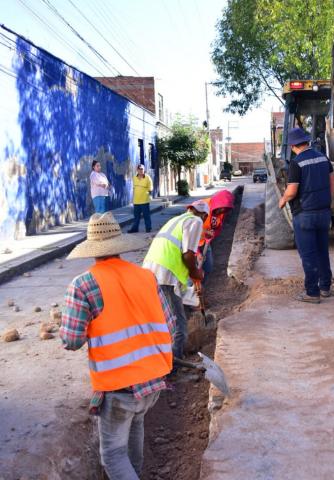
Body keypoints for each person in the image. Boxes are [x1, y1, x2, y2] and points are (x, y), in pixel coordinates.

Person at [60, 212, 175, 480]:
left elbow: (71, 340)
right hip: (153, 381)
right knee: (132, 444)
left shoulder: (83, 285)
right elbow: (169, 324)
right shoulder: (146, 276)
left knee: (112, 455)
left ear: (92, 249)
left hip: (119, 386)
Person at [143, 201, 209, 359]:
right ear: (204, 215)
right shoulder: (196, 220)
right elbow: (188, 255)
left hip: (149, 271)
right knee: (178, 321)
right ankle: (175, 360)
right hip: (165, 274)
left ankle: (157, 355)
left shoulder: (176, 220)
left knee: (160, 317)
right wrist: (196, 272)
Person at [279, 127, 334, 303]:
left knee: (308, 255)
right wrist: (327, 201)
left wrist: (281, 201)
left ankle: (312, 293)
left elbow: (292, 191)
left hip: (305, 215)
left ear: (293, 145)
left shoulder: (297, 163)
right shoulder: (323, 157)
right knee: (322, 251)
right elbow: (333, 181)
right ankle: (325, 287)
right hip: (324, 212)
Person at [191, 189, 235, 275]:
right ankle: (190, 287)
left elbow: (217, 228)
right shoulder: (202, 206)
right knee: (191, 270)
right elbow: (189, 233)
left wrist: (212, 235)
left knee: (208, 267)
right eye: (222, 208)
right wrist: (197, 252)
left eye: (226, 209)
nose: (223, 211)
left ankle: (201, 286)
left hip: (205, 242)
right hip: (190, 243)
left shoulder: (222, 211)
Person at [128, 164, 153, 233]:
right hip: (136, 201)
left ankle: (148, 228)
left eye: (142, 169)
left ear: (144, 169)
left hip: (144, 200)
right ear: (137, 170)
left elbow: (150, 188)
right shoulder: (134, 178)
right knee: (136, 217)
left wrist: (150, 195)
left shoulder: (147, 177)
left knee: (146, 216)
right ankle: (135, 229)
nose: (140, 170)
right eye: (139, 169)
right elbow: (133, 188)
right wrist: (132, 199)